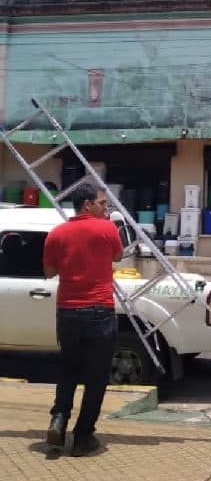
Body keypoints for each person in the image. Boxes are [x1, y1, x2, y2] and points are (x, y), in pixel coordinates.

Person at [43, 183, 124, 456]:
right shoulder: (107, 229)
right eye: (102, 203)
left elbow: (49, 271)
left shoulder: (56, 234)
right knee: (97, 377)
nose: (106, 208)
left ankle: (59, 418)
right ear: (87, 204)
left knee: (68, 368)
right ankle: (82, 436)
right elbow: (118, 255)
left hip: (67, 311)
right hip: (99, 311)